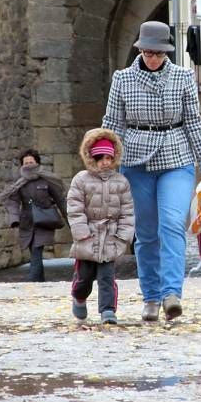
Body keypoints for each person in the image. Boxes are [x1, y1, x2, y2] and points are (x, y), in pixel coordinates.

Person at [102, 20, 201, 322]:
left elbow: (193, 122)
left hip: (175, 156)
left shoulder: (182, 77)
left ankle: (171, 294)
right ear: (139, 50)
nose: (152, 58)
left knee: (171, 223)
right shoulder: (122, 79)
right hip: (136, 160)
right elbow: (113, 123)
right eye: (147, 52)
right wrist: (103, 162)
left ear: (166, 52)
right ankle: (150, 297)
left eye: (158, 53)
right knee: (145, 233)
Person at [67, 128, 135, 324]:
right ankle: (79, 296)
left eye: (109, 157)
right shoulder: (81, 180)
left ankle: (108, 310)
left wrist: (123, 236)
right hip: (87, 236)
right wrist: (81, 232)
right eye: (101, 157)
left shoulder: (121, 182)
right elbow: (75, 208)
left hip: (110, 236)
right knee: (84, 277)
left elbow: (127, 211)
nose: (105, 161)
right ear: (92, 158)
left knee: (107, 276)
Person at [0, 149, 67, 282]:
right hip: (27, 222)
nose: (29, 165)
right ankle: (40, 281)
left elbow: (60, 199)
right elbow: (13, 201)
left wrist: (69, 217)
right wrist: (14, 219)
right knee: (33, 249)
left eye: (31, 162)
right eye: (26, 163)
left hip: (44, 221)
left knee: (37, 249)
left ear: (37, 163)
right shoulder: (19, 183)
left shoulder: (47, 180)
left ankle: (32, 279)